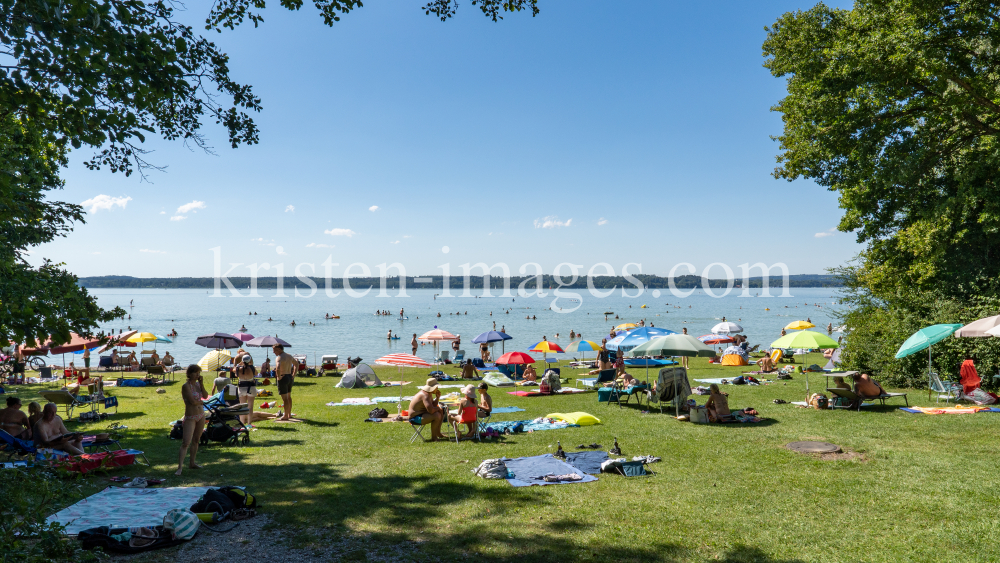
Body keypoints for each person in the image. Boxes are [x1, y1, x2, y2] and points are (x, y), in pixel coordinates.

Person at [176, 365, 208, 476]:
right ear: (189, 374)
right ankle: (180, 467)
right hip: (190, 417)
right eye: (195, 373)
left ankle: (192, 463)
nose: (197, 375)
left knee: (196, 440)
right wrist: (201, 402)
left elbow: (205, 395)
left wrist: (202, 384)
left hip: (200, 415)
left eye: (198, 373)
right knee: (186, 442)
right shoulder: (186, 386)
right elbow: (193, 402)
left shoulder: (198, 385)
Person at [273, 343, 298, 422]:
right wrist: (293, 374)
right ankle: (289, 413)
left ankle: (285, 416)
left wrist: (279, 376)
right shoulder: (289, 356)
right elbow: (296, 364)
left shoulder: (279, 358)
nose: (274, 352)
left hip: (283, 377)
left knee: (285, 399)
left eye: (275, 350)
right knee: (288, 396)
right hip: (289, 377)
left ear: (280, 349)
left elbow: (278, 368)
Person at [234, 355, 258, 426]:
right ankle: (249, 423)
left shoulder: (238, 368)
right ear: (250, 361)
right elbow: (256, 373)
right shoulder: (252, 368)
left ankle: (242, 422)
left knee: (242, 406)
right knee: (250, 406)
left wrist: (238, 364)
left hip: (241, 387)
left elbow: (235, 374)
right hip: (251, 387)